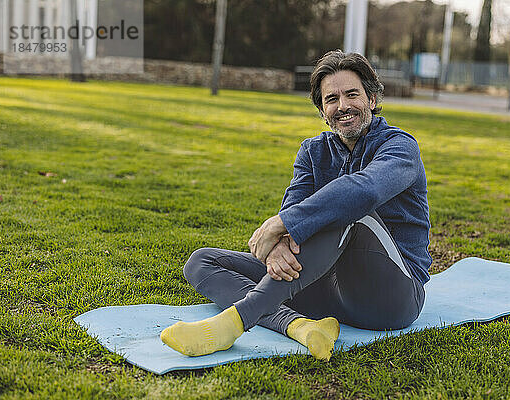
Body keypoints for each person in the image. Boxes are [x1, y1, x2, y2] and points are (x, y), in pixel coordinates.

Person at [160, 50, 431, 361]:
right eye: (332, 99)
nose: (342, 106)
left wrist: (281, 224)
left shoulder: (400, 147)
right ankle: (298, 326)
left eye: (352, 94)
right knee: (202, 261)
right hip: (322, 289)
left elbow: (364, 191)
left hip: (389, 298)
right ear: (322, 110)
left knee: (349, 210)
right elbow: (293, 208)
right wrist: (279, 243)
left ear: (371, 99)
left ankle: (234, 323)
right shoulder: (313, 151)